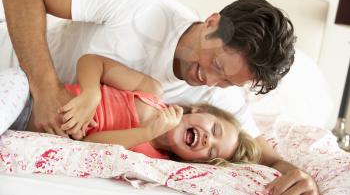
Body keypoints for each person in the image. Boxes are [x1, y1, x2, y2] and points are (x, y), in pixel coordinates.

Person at [0, 0, 318, 194]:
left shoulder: (211, 105)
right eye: (217, 64)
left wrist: (293, 173)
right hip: (9, 66)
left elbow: (259, 151)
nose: (209, 80)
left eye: (227, 82)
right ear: (212, 23)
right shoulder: (139, 1)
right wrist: (45, 90)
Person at [1, 56, 261, 165]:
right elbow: (93, 61)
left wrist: (147, 133)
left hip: (24, 132)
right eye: (214, 129)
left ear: (194, 161)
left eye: (211, 151)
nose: (207, 139)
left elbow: (90, 144)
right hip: (27, 95)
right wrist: (91, 95)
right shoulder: (151, 92)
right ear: (199, 109)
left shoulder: (151, 159)